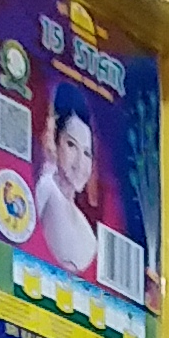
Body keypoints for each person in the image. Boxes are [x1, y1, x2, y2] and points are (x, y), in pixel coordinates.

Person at [36, 101, 109, 285]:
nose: (79, 162)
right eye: (71, 145)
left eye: (86, 153)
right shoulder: (46, 188)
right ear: (55, 141)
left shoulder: (86, 228)